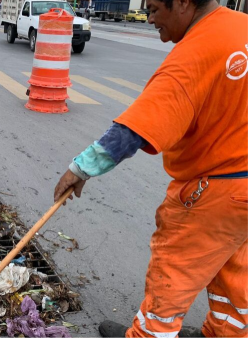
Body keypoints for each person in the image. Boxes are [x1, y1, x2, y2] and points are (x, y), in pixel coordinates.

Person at [53, 0, 248, 336]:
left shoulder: (196, 52)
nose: (149, 18)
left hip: (216, 191)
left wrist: (80, 169)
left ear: (184, 3)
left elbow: (137, 126)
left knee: (172, 279)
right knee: (234, 272)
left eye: (156, 8)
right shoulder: (241, 27)